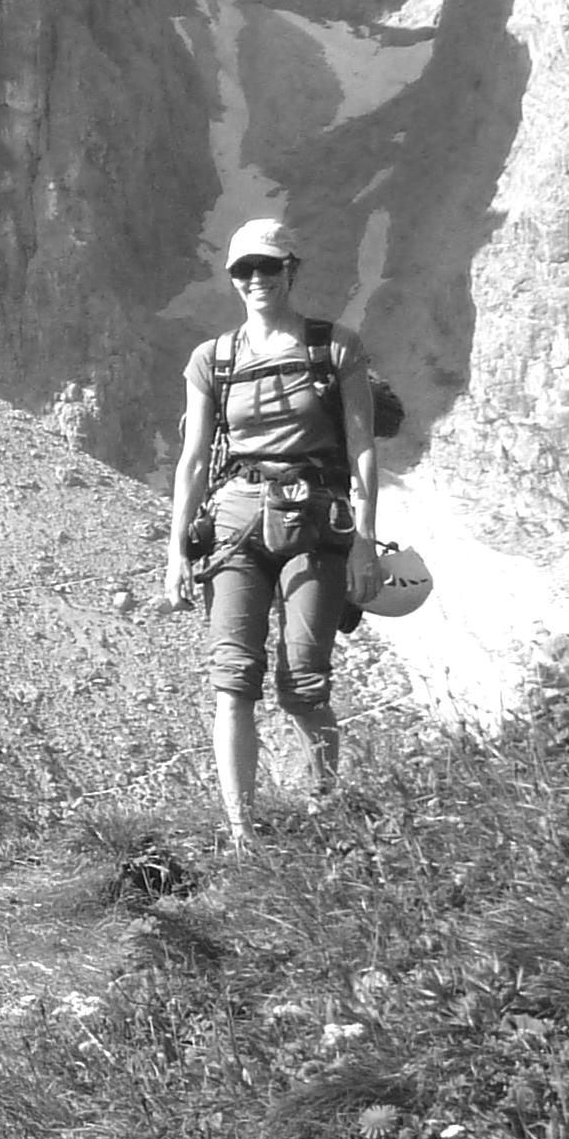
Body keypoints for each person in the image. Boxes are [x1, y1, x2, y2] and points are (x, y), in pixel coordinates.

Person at [163, 218, 380, 844]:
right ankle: (241, 833)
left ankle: (323, 810)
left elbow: (362, 446)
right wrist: (175, 552)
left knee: (303, 682)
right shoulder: (212, 359)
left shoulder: (335, 348)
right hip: (234, 523)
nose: (255, 279)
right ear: (233, 280)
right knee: (233, 678)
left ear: (292, 269)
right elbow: (194, 460)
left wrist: (364, 537)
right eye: (243, 270)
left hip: (315, 522)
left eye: (267, 267)